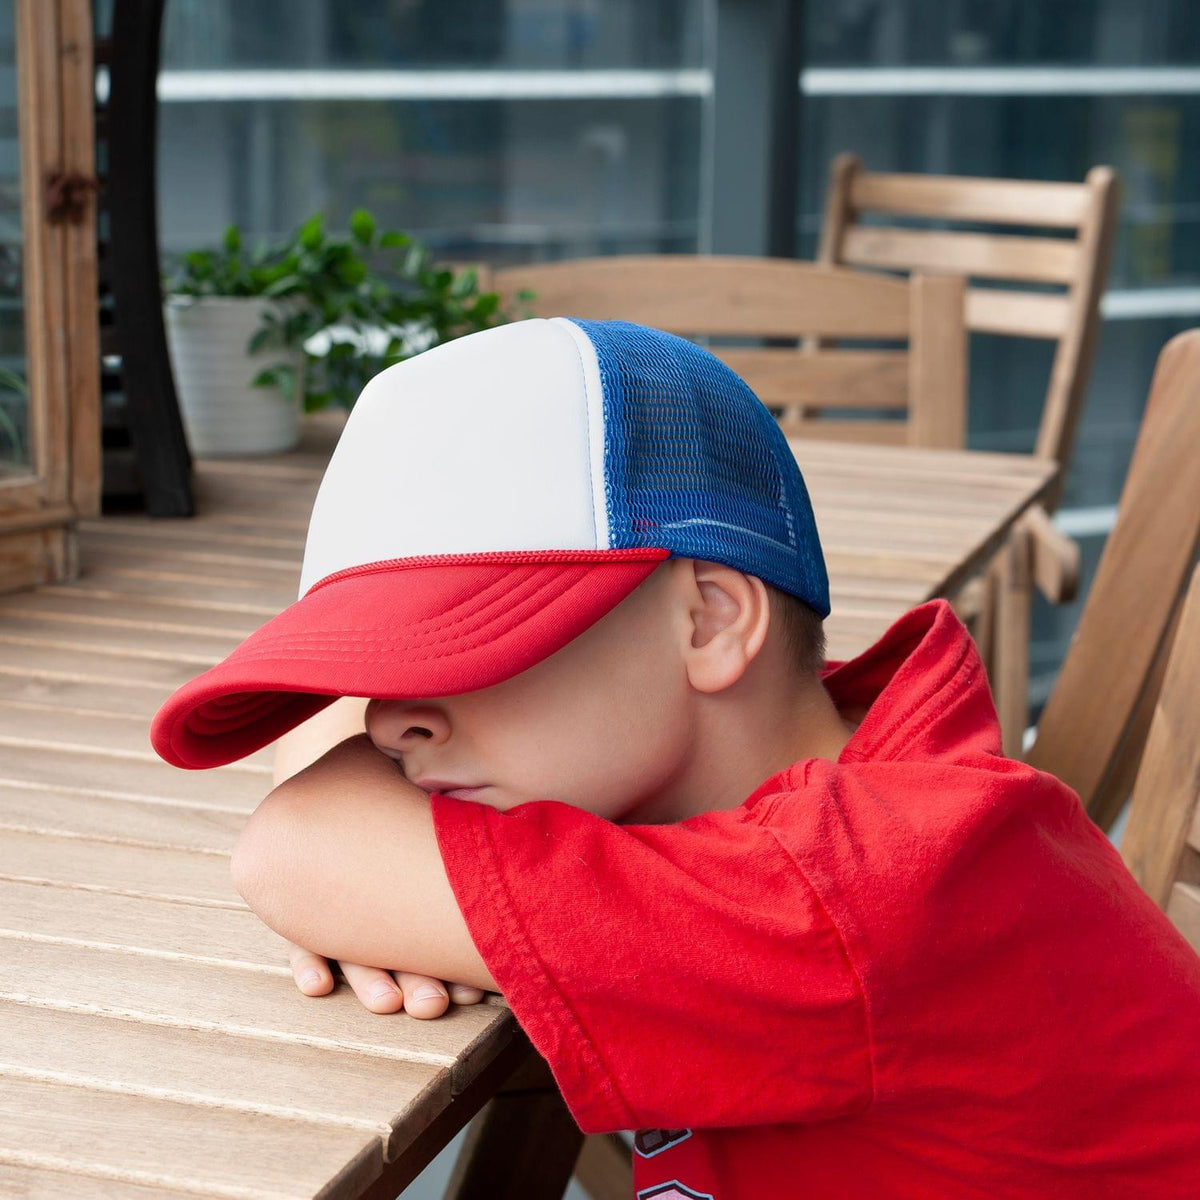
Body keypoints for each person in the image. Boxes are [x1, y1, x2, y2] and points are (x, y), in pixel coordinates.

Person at [151, 317, 1200, 1197]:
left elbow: (291, 846)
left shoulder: (839, 898)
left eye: (465, 646)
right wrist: (380, 877)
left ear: (706, 622)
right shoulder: (836, 784)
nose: (387, 725)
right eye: (370, 671)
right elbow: (323, 798)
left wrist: (368, 876)